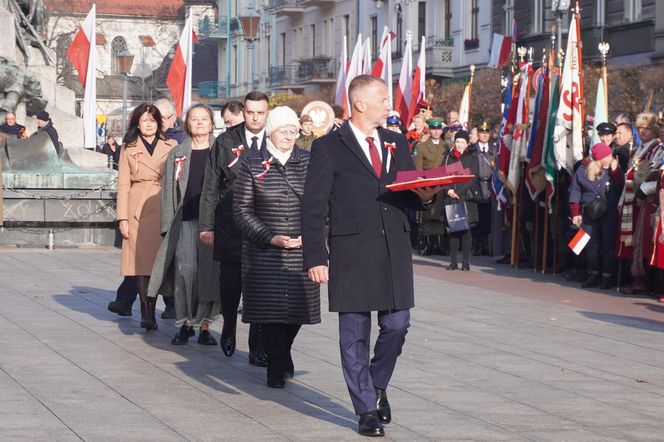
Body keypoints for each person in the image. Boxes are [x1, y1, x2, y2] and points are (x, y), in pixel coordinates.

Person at [301, 75, 440, 437]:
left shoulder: (396, 142)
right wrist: (316, 256)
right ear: (360, 103)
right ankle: (365, 409)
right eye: (383, 99)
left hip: (393, 248)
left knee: (398, 324)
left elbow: (409, 192)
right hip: (351, 251)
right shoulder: (329, 147)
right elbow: (313, 206)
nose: (389, 106)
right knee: (354, 335)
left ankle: (376, 384)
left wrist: (427, 196)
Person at [233, 106, 321, 388]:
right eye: (284, 131)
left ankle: (284, 350)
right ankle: (275, 362)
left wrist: (314, 236)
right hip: (265, 251)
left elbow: (321, 204)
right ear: (270, 132)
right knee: (270, 312)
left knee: (297, 310)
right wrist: (270, 237)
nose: (289, 136)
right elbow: (242, 210)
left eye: (293, 131)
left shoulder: (309, 161)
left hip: (301, 247)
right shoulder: (251, 162)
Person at [199, 91, 268, 366]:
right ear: (244, 112)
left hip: (264, 225)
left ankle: (257, 345)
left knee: (260, 288)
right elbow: (211, 185)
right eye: (250, 112)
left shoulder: (275, 139)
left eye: (260, 112)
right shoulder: (227, 141)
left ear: (266, 113)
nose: (255, 117)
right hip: (231, 224)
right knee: (230, 285)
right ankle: (228, 325)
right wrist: (207, 225)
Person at [146, 104, 221, 345]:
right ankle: (185, 323)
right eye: (195, 119)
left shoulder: (220, 151)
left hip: (213, 222)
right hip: (185, 219)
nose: (199, 123)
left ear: (211, 123)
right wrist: (167, 225)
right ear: (187, 124)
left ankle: (205, 325)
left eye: (204, 119)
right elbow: (168, 191)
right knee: (184, 271)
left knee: (209, 274)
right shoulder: (178, 153)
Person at [116, 103, 176, 331]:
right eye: (144, 120)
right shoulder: (128, 147)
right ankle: (146, 310)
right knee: (140, 264)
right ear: (137, 123)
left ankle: (159, 304)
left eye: (153, 120)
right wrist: (122, 217)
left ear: (159, 122)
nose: (148, 124)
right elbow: (122, 184)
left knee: (161, 262)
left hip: (164, 202)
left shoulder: (172, 145)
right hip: (137, 206)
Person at [569, 143, 623, 289]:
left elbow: (620, 187)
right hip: (590, 211)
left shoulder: (613, 168)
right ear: (600, 158)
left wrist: (616, 172)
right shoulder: (583, 169)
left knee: (607, 244)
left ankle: (606, 276)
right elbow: (575, 191)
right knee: (591, 245)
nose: (611, 158)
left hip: (609, 211)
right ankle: (593, 274)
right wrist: (575, 213)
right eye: (608, 156)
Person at [154, 98, 182, 318]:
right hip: (149, 206)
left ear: (173, 117)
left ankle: (173, 303)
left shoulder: (180, 141)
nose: (161, 121)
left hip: (174, 205)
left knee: (171, 258)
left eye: (165, 117)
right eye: (157, 116)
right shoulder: (145, 137)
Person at [441, 130, 480, 271]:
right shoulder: (448, 157)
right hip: (451, 198)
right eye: (457, 141)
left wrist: (458, 191)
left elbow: (474, 176)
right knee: (453, 229)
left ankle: (465, 262)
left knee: (465, 229)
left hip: (465, 198)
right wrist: (448, 190)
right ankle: (453, 261)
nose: (459, 145)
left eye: (462, 142)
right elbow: (442, 175)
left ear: (467, 143)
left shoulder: (472, 156)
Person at [413, 118, 447, 255]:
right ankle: (428, 243)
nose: (436, 132)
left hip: (442, 185)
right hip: (427, 186)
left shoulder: (447, 146)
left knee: (439, 216)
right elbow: (417, 169)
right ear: (429, 129)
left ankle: (438, 243)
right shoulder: (421, 147)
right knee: (428, 215)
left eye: (439, 129)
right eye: (433, 129)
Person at [473, 122, 497, 256]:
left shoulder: (494, 151)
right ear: (478, 134)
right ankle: (476, 245)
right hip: (476, 186)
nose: (484, 135)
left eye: (486, 132)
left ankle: (485, 245)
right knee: (476, 218)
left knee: (487, 218)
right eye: (482, 132)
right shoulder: (472, 149)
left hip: (488, 187)